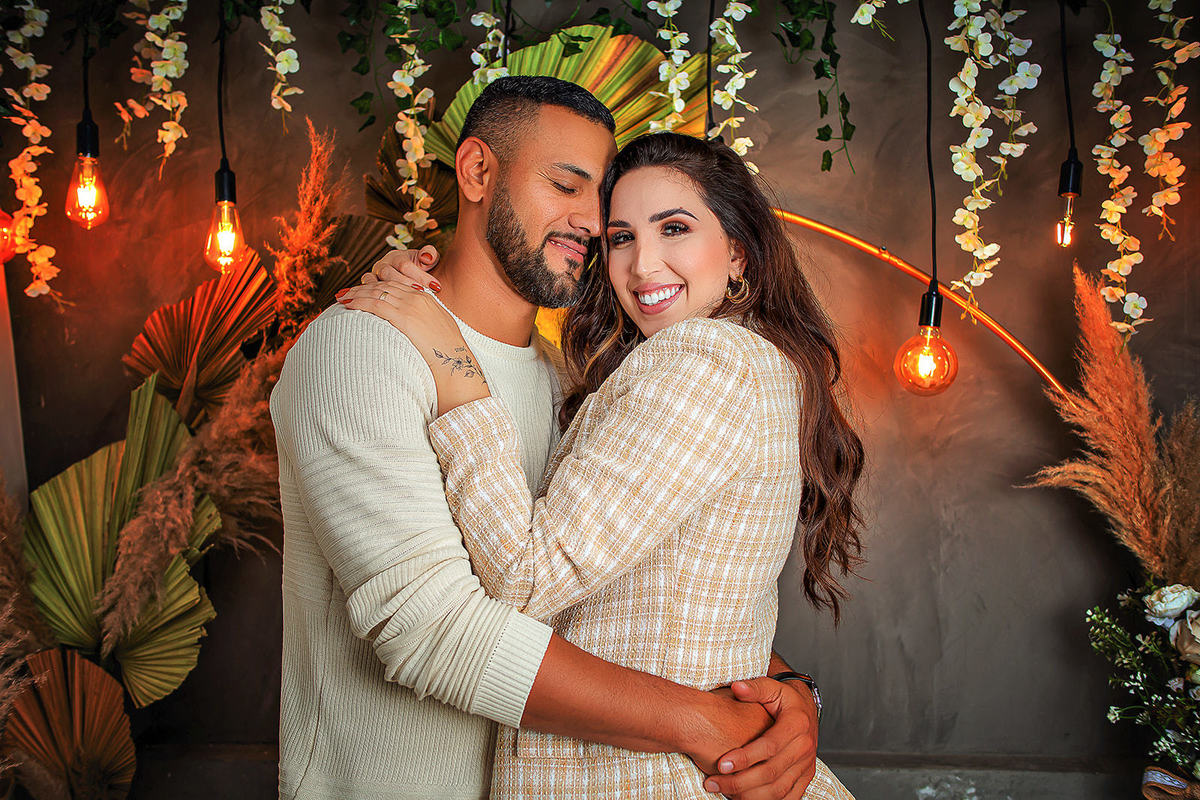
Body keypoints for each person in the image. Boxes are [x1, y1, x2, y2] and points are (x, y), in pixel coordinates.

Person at [271, 76, 824, 800]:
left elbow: (633, 595)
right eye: (566, 185)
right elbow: (430, 629)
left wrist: (785, 692)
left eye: (603, 203)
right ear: (477, 171)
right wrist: (707, 723)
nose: (591, 223)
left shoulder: (567, 379)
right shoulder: (361, 349)